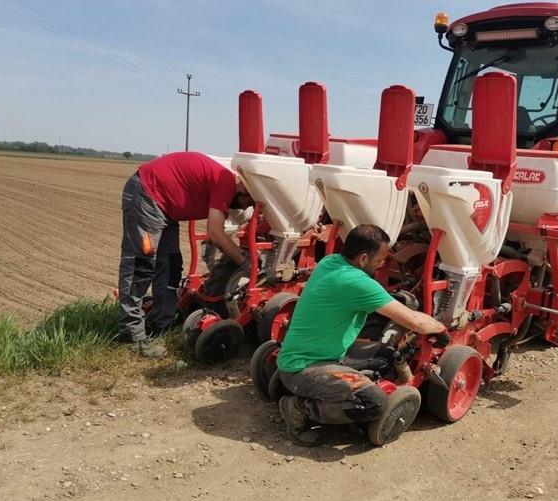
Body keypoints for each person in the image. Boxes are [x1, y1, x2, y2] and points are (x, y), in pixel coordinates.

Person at [276, 224, 450, 446]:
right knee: (374, 403)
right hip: (305, 367)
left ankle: (346, 396)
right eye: (379, 259)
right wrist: (441, 329)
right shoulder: (355, 282)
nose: (382, 264)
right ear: (363, 258)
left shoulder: (331, 262)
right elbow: (414, 321)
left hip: (322, 352)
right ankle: (298, 409)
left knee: (388, 356)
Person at [117, 151, 253, 358]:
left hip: (166, 209)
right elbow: (215, 232)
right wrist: (245, 262)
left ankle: (162, 325)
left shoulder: (224, 183)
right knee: (140, 266)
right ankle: (131, 337)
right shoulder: (226, 182)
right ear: (243, 186)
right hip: (147, 193)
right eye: (248, 201)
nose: (245, 207)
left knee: (171, 265)